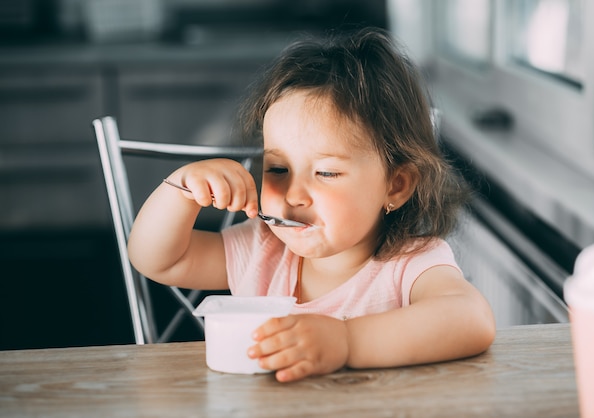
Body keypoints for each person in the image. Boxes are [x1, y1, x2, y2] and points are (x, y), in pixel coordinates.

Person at [128, 27, 496, 383]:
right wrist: (181, 190)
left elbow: (471, 319)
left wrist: (346, 342)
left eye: (325, 172)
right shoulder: (263, 251)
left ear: (395, 186)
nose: (293, 193)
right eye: (278, 168)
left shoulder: (411, 263)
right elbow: (158, 259)